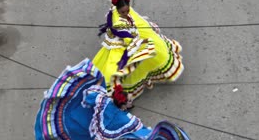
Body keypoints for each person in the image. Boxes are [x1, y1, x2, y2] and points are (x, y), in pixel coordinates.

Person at [34, 58, 190, 140]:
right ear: (123, 104)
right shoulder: (121, 119)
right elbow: (139, 132)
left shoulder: (102, 99)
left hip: (84, 125)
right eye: (129, 100)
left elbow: (88, 97)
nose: (131, 102)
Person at [93, 0, 184, 102]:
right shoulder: (118, 23)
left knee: (151, 54)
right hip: (123, 43)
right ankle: (115, 93)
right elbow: (128, 39)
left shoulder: (120, 9)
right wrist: (144, 40)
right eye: (123, 12)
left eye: (127, 10)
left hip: (133, 36)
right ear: (118, 10)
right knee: (120, 67)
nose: (126, 13)